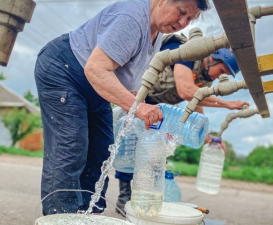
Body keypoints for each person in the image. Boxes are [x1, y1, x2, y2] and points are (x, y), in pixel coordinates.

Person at [35, 0, 210, 216]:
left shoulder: (156, 33)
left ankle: (86, 216)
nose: (183, 22)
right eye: (181, 12)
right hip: (65, 71)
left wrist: (145, 110)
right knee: (71, 148)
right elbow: (97, 69)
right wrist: (138, 108)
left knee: (102, 153)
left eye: (189, 19)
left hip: (95, 86)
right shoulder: (132, 19)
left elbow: (126, 84)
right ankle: (59, 216)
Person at [114, 32, 249, 215]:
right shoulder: (187, 53)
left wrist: (207, 136)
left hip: (157, 110)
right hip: (134, 98)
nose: (219, 78)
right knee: (129, 147)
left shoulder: (203, 79)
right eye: (222, 71)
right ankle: (124, 197)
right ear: (213, 58)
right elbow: (185, 90)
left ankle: (145, 198)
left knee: (154, 153)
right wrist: (227, 104)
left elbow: (195, 105)